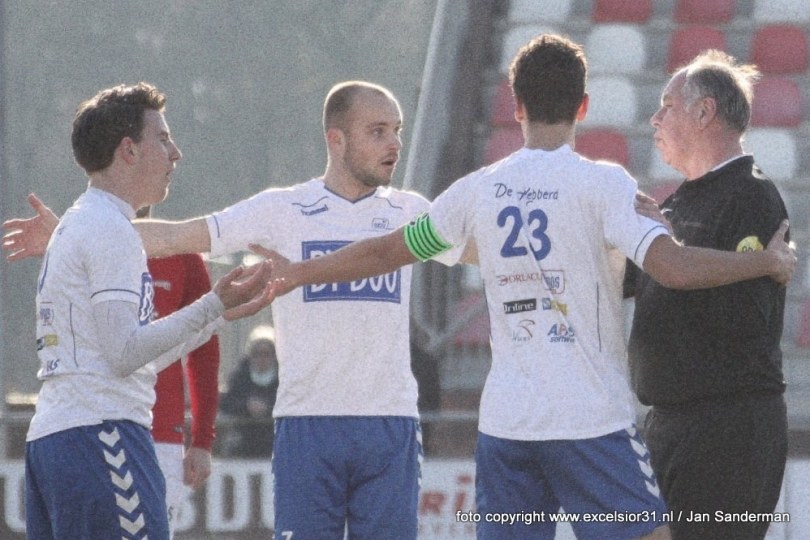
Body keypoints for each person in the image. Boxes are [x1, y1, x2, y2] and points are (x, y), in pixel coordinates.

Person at [256, 34, 795, 540]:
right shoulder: (605, 184)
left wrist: (300, 272)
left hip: (508, 426)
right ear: (583, 107)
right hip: (589, 421)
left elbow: (385, 250)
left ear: (516, 107)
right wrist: (766, 263)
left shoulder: (477, 192)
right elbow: (672, 268)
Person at [2, 80, 462, 539]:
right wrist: (74, 232)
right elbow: (180, 236)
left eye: (397, 130)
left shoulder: (412, 211)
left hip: (390, 422)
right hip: (303, 425)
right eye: (378, 130)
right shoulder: (283, 209)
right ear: (336, 139)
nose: (395, 142)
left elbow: (479, 250)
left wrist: (75, 235)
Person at [17, 82, 276, 540]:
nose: (175, 153)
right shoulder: (111, 229)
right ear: (128, 151)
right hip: (103, 437)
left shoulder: (82, 222)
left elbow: (129, 356)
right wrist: (213, 305)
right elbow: (124, 354)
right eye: (162, 138)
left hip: (59, 439)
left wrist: (217, 315)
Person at [625, 50, 791, 540]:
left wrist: (667, 245)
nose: (654, 118)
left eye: (667, 105)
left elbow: (738, 317)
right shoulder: (678, 199)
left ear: (704, 113)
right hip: (669, 422)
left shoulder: (752, 196)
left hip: (728, 427)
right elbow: (626, 279)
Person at [142, 207, 221, 537]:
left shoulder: (184, 252)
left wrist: (202, 440)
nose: (173, 155)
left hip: (161, 434)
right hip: (90, 428)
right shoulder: (81, 236)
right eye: (162, 149)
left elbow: (204, 351)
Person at [219, 324, 279, 458]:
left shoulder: (282, 377)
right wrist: (246, 406)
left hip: (273, 442)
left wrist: (268, 407)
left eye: (267, 354)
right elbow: (226, 403)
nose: (262, 359)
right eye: (257, 354)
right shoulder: (240, 375)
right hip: (243, 440)